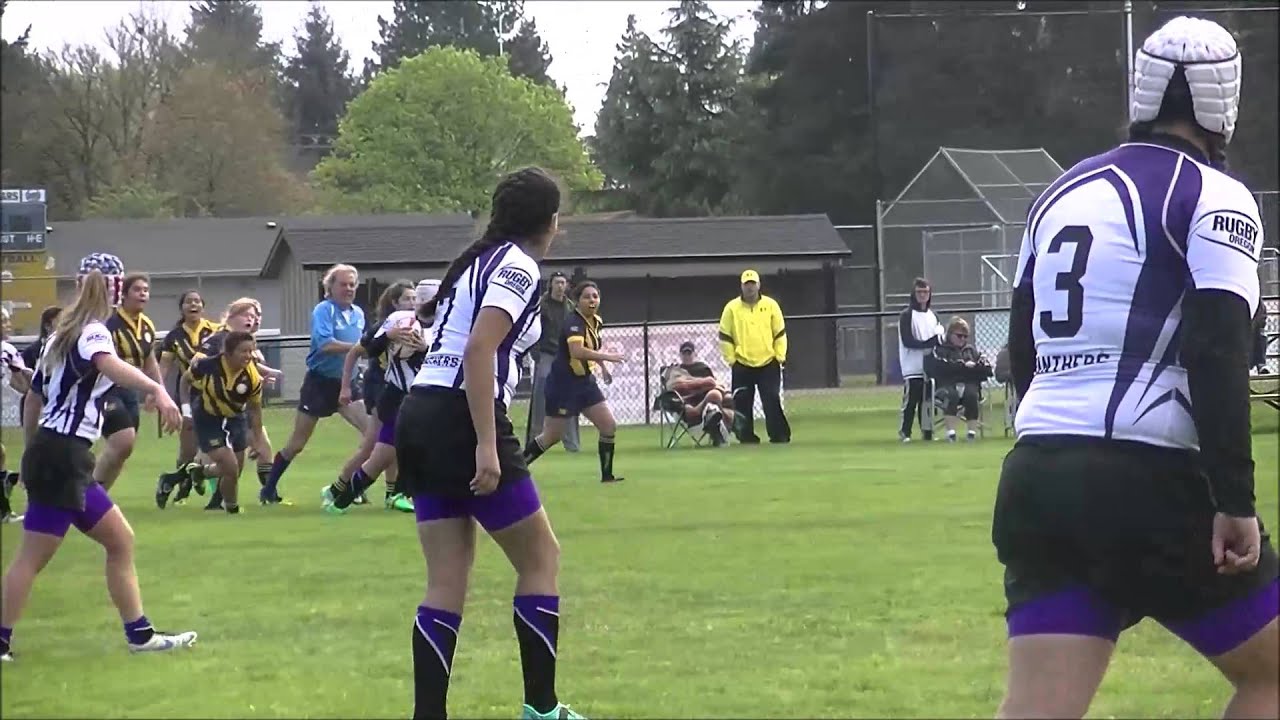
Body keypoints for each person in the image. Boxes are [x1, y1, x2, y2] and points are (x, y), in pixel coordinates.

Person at [993, 17, 1277, 718]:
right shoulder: (1215, 196)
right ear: (1225, 103)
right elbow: (1216, 350)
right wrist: (1234, 500)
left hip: (1038, 477)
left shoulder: (1057, 195)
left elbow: (1023, 350)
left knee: (1038, 710)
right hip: (1148, 480)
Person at [394, 167, 584, 720]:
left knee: (446, 580)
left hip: (420, 415)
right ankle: (542, 710)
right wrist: (486, 445)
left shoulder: (475, 261)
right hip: (460, 416)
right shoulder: (519, 266)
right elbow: (480, 351)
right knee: (541, 558)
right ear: (551, 222)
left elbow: (456, 343)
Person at [0, 253, 197, 663]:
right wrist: (159, 392)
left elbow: (34, 397)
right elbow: (109, 365)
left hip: (58, 453)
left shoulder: (58, 336)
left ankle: (140, 635)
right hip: (64, 454)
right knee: (32, 558)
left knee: (120, 540)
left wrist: (35, 449)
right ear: (116, 288)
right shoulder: (93, 332)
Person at [324, 279, 439, 514]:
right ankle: (341, 499)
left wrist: (424, 349)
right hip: (397, 397)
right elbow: (369, 349)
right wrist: (389, 335)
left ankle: (392, 494)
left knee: (402, 452)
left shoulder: (444, 327)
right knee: (379, 455)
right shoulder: (399, 321)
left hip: (424, 399)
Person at [262, 264, 367, 504]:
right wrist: (359, 348)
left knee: (372, 435)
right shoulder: (324, 310)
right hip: (319, 384)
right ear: (330, 287)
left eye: (352, 284)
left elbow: (366, 344)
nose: (349, 289)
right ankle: (268, 490)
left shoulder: (359, 314)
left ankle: (352, 486)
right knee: (297, 443)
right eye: (343, 284)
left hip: (347, 383)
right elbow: (325, 345)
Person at [523, 281, 626, 483]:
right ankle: (513, 470)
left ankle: (607, 476)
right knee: (552, 436)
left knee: (608, 425)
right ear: (577, 301)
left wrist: (602, 368)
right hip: (563, 385)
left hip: (585, 383)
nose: (592, 300)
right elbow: (576, 352)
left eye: (595, 296)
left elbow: (589, 347)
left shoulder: (595, 321)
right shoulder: (573, 322)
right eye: (587, 297)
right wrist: (607, 357)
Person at [185, 330, 272, 515]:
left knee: (234, 469)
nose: (248, 356)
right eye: (243, 351)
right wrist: (186, 410)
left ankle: (201, 473)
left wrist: (257, 441)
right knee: (230, 467)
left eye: (251, 351)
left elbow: (255, 410)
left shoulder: (253, 378)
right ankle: (232, 509)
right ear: (228, 352)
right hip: (207, 418)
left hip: (236, 419)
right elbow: (186, 380)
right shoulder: (207, 365)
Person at [97, 271, 162, 491]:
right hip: (107, 388)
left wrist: (157, 391)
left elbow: (149, 360)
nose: (142, 294)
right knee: (122, 440)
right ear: (123, 295)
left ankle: (98, 496)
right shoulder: (110, 324)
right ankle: (85, 492)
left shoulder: (147, 325)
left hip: (131, 392)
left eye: (146, 290)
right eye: (137, 289)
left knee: (124, 449)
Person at [154, 290, 219, 508]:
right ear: (181, 308)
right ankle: (182, 485)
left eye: (197, 301)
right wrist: (156, 392)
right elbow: (164, 367)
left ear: (203, 306)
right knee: (188, 450)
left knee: (213, 445)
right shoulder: (173, 337)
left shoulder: (214, 330)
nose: (193, 305)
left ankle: (196, 484)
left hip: (215, 393)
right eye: (188, 302)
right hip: (187, 394)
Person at [718, 269, 790, 444]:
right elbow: (724, 336)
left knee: (771, 399)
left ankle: (779, 435)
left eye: (752, 284)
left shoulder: (771, 305)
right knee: (742, 402)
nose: (750, 288)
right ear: (741, 286)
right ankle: (746, 436)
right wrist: (731, 360)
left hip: (768, 363)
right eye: (746, 284)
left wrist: (779, 357)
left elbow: (779, 333)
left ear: (758, 285)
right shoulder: (731, 308)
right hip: (742, 363)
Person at [525, 271, 580, 453]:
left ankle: (572, 444)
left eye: (563, 283)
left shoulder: (571, 307)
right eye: (557, 282)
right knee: (541, 397)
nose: (560, 286)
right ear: (551, 285)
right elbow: (531, 329)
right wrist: (536, 353)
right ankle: (534, 440)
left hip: (565, 357)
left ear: (567, 286)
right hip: (546, 355)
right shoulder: (541, 305)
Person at [661, 340, 741, 446]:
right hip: (687, 403)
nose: (687, 356)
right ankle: (716, 428)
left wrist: (708, 386)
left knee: (717, 396)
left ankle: (715, 425)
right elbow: (676, 386)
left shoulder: (702, 368)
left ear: (694, 354)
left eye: (689, 353)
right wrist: (702, 384)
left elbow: (714, 384)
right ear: (680, 355)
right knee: (713, 398)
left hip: (707, 399)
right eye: (684, 353)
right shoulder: (675, 371)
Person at [924, 317, 991, 442]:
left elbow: (987, 369)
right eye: (959, 336)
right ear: (950, 334)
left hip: (968, 384)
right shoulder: (940, 350)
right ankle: (951, 434)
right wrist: (963, 366)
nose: (963, 339)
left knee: (971, 395)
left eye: (965, 336)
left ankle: (971, 434)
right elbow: (939, 368)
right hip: (945, 385)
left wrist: (974, 367)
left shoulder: (971, 350)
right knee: (952, 395)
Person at [897, 278, 943, 442]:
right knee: (911, 401)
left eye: (925, 292)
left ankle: (927, 432)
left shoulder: (933, 315)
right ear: (914, 294)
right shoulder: (907, 315)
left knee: (927, 401)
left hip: (929, 366)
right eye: (919, 292)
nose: (922, 295)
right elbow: (908, 341)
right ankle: (905, 432)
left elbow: (939, 336)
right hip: (912, 366)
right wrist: (928, 343)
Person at [1, 307, 33, 524]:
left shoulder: (7, 350)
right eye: (3, 321)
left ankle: (3, 510)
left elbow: (22, 378)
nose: (8, 324)